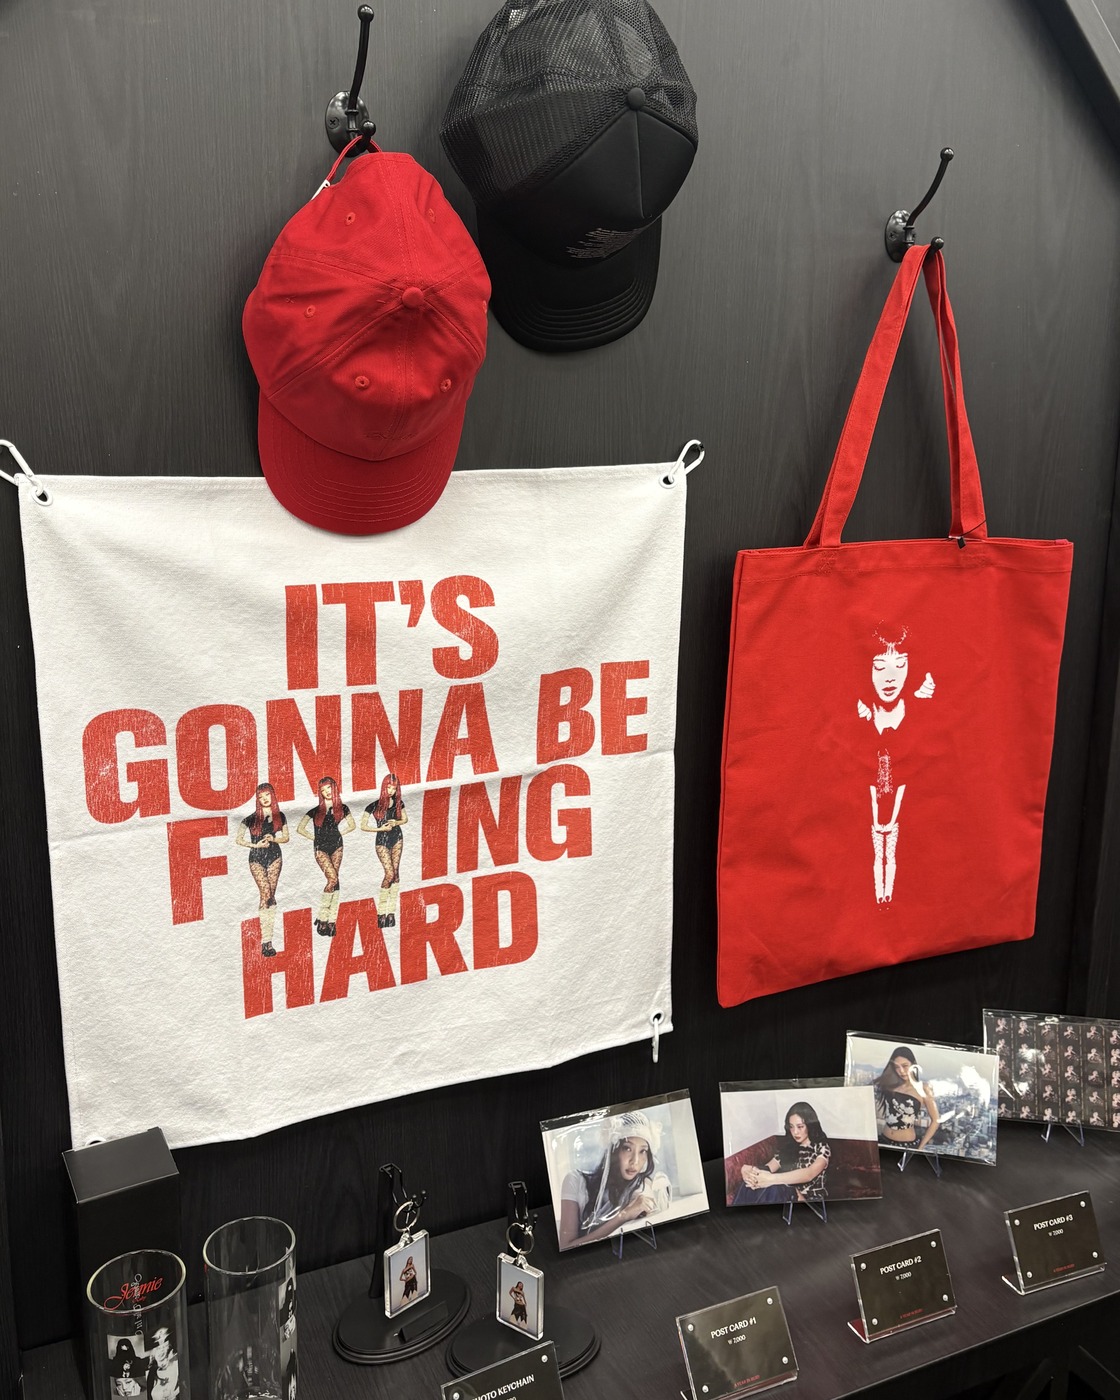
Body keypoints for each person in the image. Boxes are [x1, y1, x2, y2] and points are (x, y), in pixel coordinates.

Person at [856, 623, 935, 905]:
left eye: (901, 665)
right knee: (879, 854)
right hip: (870, 817)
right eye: (879, 667)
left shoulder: (920, 711)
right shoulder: (859, 715)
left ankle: (887, 896)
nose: (890, 677)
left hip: (908, 821)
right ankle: (881, 896)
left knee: (890, 854)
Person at [558, 1110, 672, 1248]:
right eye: (627, 1148)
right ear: (613, 1151)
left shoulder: (641, 1188)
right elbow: (567, 1246)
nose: (635, 1161)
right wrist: (623, 1215)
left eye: (643, 1151)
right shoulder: (575, 1181)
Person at [732, 1101, 831, 1205]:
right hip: (788, 1199)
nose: (795, 1132)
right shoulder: (788, 1148)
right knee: (748, 1184)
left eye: (800, 1126)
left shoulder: (822, 1148)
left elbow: (809, 1174)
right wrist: (750, 1171)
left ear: (810, 1125)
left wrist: (771, 1179)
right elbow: (768, 1168)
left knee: (776, 1188)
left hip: (810, 1203)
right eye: (791, 1127)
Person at [296, 776, 354, 938]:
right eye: (323, 790)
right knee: (332, 880)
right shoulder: (315, 811)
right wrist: (315, 838)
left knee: (336, 880)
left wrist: (339, 834)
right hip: (320, 847)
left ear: (334, 789)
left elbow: (352, 825)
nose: (327, 792)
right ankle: (322, 917)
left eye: (329, 788)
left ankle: (331, 921)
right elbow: (300, 828)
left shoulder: (342, 808)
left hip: (337, 845)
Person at [235, 782, 288, 956]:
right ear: (257, 799)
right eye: (260, 796)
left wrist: (273, 839)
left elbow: (286, 837)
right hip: (256, 858)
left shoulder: (280, 816)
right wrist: (255, 845)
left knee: (270, 896)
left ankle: (267, 941)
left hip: (275, 857)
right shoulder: (250, 818)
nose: (264, 799)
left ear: (272, 796)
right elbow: (238, 839)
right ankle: (266, 941)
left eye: (267, 795)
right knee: (265, 893)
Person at [361, 773, 408, 929]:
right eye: (388, 787)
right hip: (381, 840)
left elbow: (405, 819)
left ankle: (391, 913)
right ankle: (382, 913)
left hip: (397, 837)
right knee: (389, 874)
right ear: (383, 787)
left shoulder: (399, 803)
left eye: (394, 788)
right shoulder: (374, 805)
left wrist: (396, 822)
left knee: (396, 873)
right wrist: (380, 829)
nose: (391, 791)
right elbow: (363, 825)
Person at [874, 1045, 940, 1150]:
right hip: (883, 1140)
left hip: (907, 1145)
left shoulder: (923, 1088)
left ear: (913, 1065)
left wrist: (920, 1147)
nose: (901, 1071)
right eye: (897, 1067)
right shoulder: (891, 1084)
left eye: (905, 1066)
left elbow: (936, 1120)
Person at [145, 1324, 180, 1400]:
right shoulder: (152, 1372)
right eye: (158, 1348)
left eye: (164, 1346)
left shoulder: (178, 1366)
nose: (161, 1351)